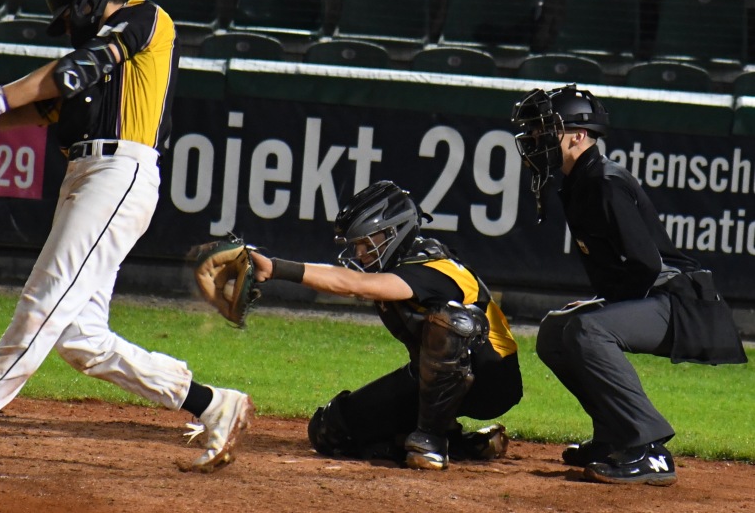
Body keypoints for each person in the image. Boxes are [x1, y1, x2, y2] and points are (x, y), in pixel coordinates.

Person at [0, 0, 253, 472]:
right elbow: (37, 108)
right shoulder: (89, 72)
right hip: (87, 177)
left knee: (41, 307)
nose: (69, 26)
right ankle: (212, 405)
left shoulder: (146, 17)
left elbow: (75, 68)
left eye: (69, 15)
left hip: (119, 173)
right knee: (81, 339)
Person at [510, 84, 747, 485]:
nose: (536, 139)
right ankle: (614, 436)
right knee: (554, 330)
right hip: (658, 297)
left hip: (681, 302)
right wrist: (602, 305)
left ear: (578, 136)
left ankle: (649, 449)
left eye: (545, 129)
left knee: (587, 329)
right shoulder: (580, 179)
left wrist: (604, 309)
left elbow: (646, 265)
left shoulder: (603, 181)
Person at [250, 180, 523, 470]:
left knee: (451, 322)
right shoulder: (398, 267)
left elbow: (353, 284)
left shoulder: (431, 268)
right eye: (358, 245)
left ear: (396, 233)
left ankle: (430, 441)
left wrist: (275, 268)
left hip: (492, 380)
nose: (360, 254)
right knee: (329, 431)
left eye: (368, 244)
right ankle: (463, 444)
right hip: (436, 378)